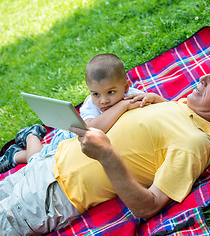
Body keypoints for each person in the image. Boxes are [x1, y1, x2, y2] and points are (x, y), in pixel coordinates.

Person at [0, 55, 210, 235]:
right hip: (46, 164)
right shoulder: (184, 106)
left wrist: (107, 156)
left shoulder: (195, 142)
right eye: (208, 74)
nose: (202, 80)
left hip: (53, 195)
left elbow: (148, 206)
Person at [0, 54, 164, 174]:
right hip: (67, 138)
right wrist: (122, 106)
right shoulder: (92, 105)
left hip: (78, 146)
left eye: (111, 92)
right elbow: (91, 129)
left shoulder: (132, 95)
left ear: (126, 87)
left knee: (42, 152)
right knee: (36, 162)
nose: (103, 101)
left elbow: (168, 107)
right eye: (96, 94)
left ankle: (14, 155)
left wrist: (155, 98)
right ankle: (31, 135)